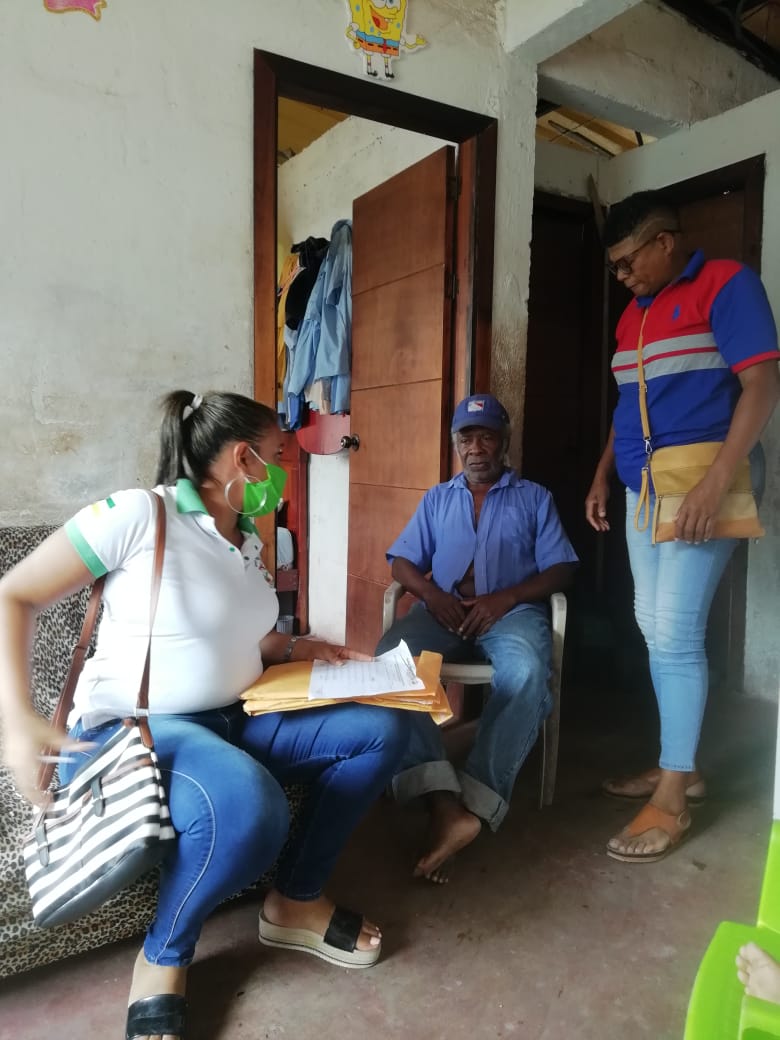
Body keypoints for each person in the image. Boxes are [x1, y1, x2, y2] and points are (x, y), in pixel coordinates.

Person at [0, 390, 410, 1040]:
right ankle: (163, 955)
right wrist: (17, 723)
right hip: (137, 730)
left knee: (382, 730)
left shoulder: (244, 540)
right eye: (279, 456)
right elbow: (14, 594)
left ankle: (295, 901)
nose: (284, 473)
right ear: (243, 459)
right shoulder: (141, 514)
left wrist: (303, 650)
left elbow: (242, 636)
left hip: (237, 713)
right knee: (250, 805)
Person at [585, 190, 780, 863]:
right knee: (653, 624)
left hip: (702, 485)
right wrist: (603, 473)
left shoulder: (727, 284)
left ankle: (672, 798)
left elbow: (762, 384)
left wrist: (716, 483)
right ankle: (682, 763)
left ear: (665, 242)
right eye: (613, 266)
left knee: (674, 632)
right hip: (644, 490)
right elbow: (628, 404)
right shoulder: (633, 315)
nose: (621, 276)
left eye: (628, 261)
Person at [376, 393, 578, 881]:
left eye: (486, 437)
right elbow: (402, 561)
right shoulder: (437, 498)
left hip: (510, 614)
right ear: (456, 445)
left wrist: (505, 598)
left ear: (504, 442)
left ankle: (474, 800)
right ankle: (441, 801)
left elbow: (562, 568)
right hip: (442, 611)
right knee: (390, 662)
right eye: (466, 438)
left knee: (526, 672)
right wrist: (431, 594)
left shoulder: (534, 497)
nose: (476, 448)